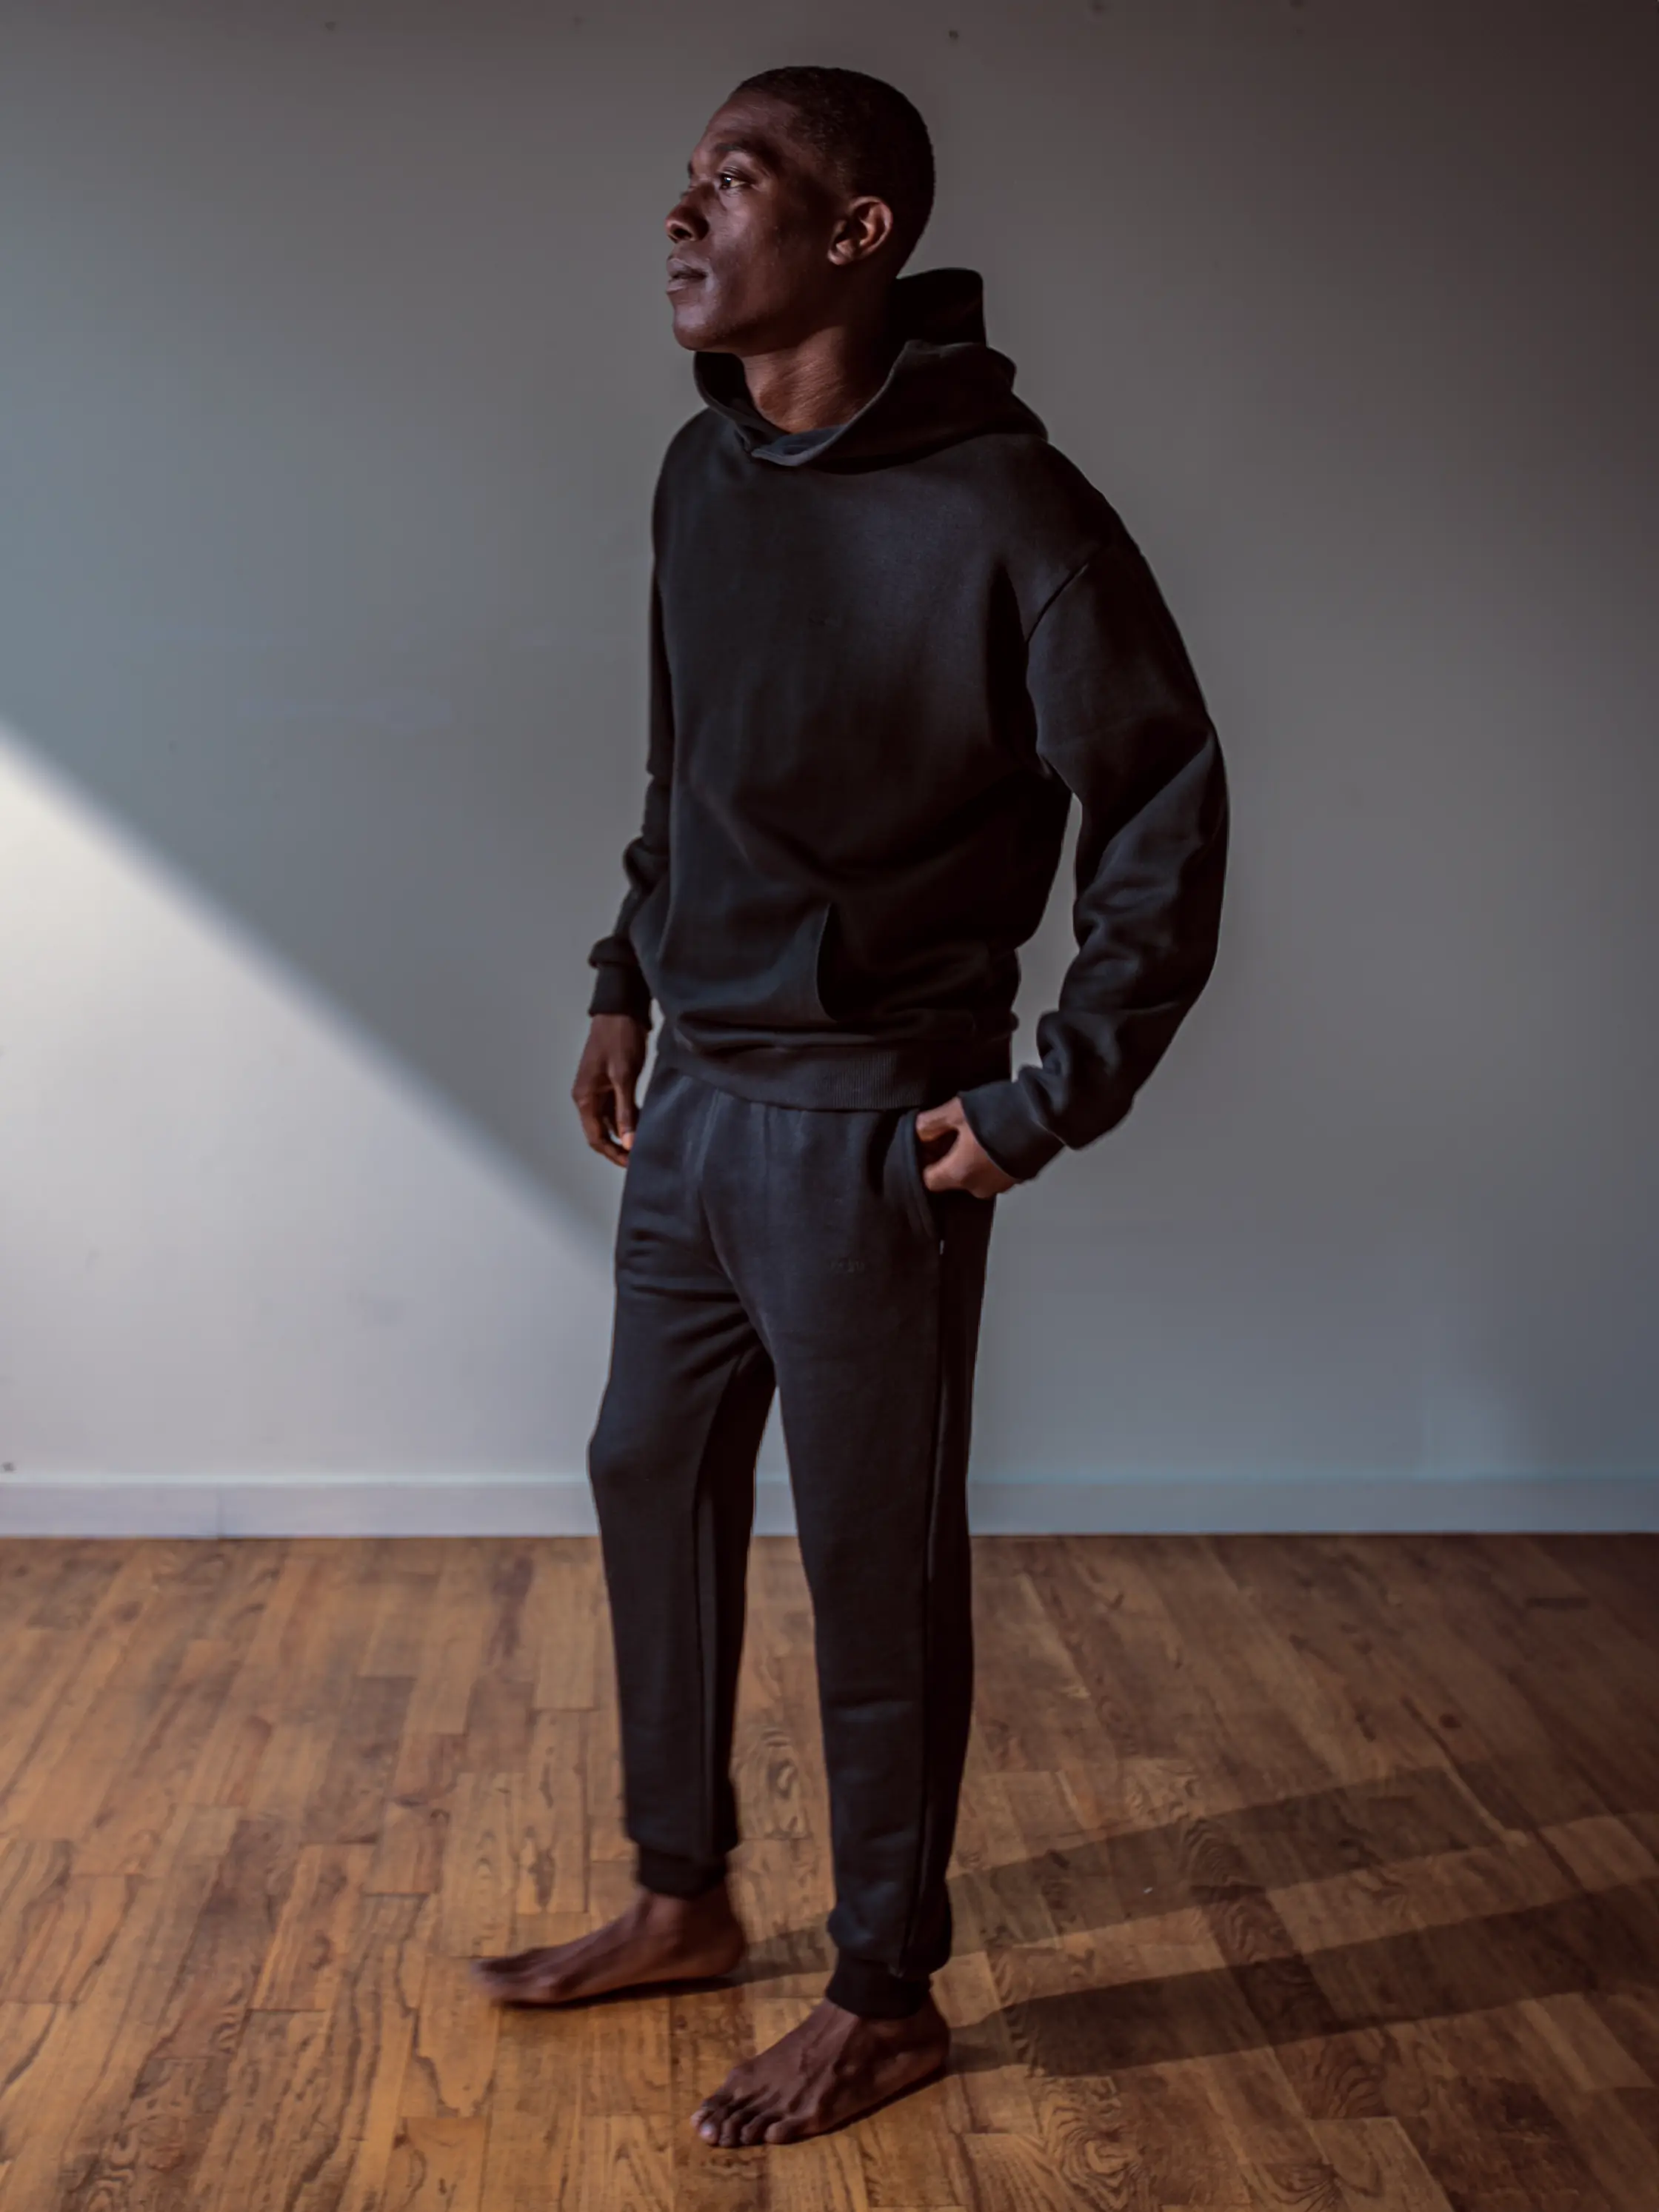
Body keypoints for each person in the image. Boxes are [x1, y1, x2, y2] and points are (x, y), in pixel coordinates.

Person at [473, 63, 1229, 2146]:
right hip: (699, 1093)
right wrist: (626, 978)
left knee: (873, 1562)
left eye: (735, 181)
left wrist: (1050, 1095)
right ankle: (681, 1895)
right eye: (689, 180)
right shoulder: (696, 480)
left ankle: (885, 1993)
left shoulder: (1015, 511)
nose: (681, 217)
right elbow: (682, 771)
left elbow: (1161, 799)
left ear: (859, 231)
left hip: (875, 1131)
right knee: (648, 1469)